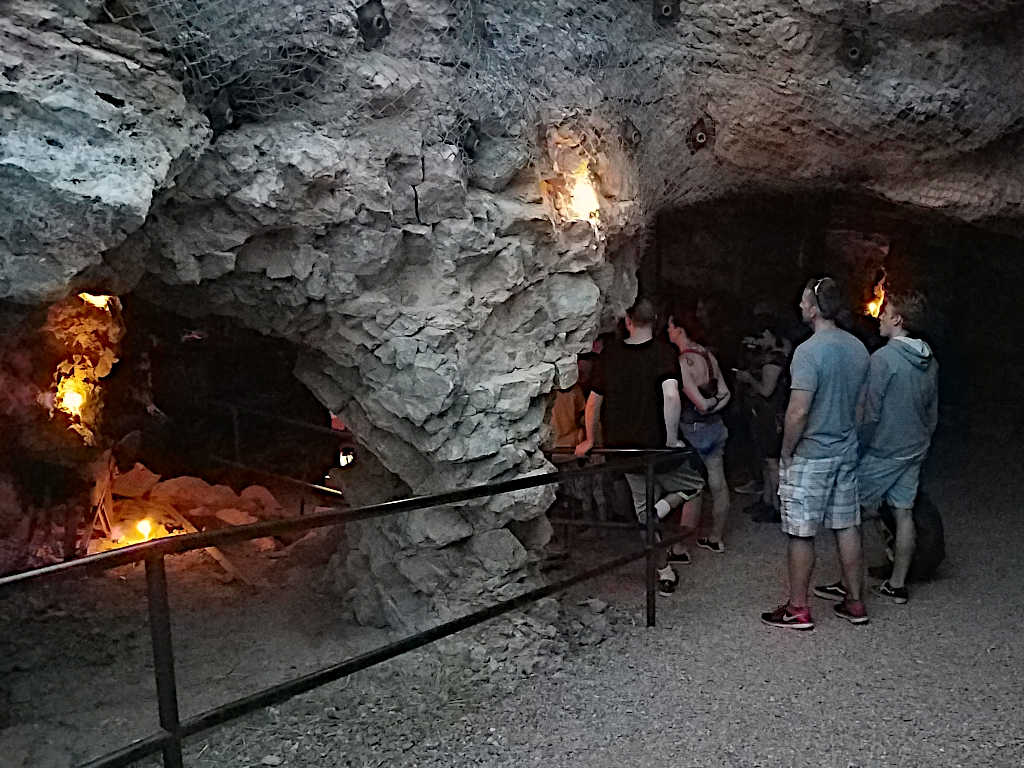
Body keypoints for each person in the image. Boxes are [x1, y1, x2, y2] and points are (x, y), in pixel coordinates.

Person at [814, 288, 938, 605]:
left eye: (884, 311)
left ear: (897, 319)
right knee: (903, 512)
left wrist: (855, 446)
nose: (879, 316)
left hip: (883, 449)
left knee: (849, 513)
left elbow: (869, 413)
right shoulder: (929, 358)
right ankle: (897, 584)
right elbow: (931, 409)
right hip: (914, 447)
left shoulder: (883, 359)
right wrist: (924, 439)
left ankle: (849, 584)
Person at [575, 298, 705, 596]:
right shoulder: (663, 352)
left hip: (624, 448)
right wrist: (670, 440)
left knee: (643, 508)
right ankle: (661, 512)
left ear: (627, 321)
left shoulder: (611, 355)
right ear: (655, 320)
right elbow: (671, 396)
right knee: (694, 484)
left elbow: (594, 401)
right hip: (656, 446)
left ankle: (663, 570)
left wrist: (591, 439)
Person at [761, 277, 870, 630]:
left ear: (815, 308)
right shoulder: (857, 348)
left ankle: (798, 608)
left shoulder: (808, 352)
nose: (800, 306)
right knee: (846, 524)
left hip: (812, 453)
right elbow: (861, 406)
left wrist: (786, 452)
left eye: (805, 301)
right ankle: (855, 602)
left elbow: (798, 411)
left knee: (801, 531)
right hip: (845, 448)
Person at [666, 310, 731, 557]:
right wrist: (716, 402)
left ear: (680, 329)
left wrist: (707, 404)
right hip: (716, 427)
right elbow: (726, 394)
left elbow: (699, 404)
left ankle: (681, 546)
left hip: (692, 431)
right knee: (718, 482)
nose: (667, 331)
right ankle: (716, 537)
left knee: (689, 487)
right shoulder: (708, 355)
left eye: (671, 327)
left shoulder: (683, 362)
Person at [734, 325, 792, 523]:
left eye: (761, 336)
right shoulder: (772, 356)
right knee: (766, 461)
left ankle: (778, 506)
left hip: (771, 415)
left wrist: (749, 378)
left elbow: (767, 390)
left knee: (772, 462)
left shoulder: (774, 360)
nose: (757, 342)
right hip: (763, 414)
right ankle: (768, 501)